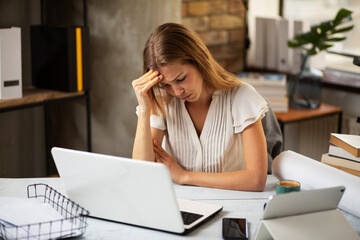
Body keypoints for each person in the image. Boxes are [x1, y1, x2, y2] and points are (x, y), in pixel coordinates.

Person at [132, 23, 268, 191]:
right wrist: (145, 109)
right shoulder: (162, 100)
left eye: (180, 78)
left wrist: (184, 176)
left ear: (199, 61)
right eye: (166, 85)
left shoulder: (241, 97)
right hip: (179, 206)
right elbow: (142, 173)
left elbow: (256, 180)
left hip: (232, 206)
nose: (176, 91)